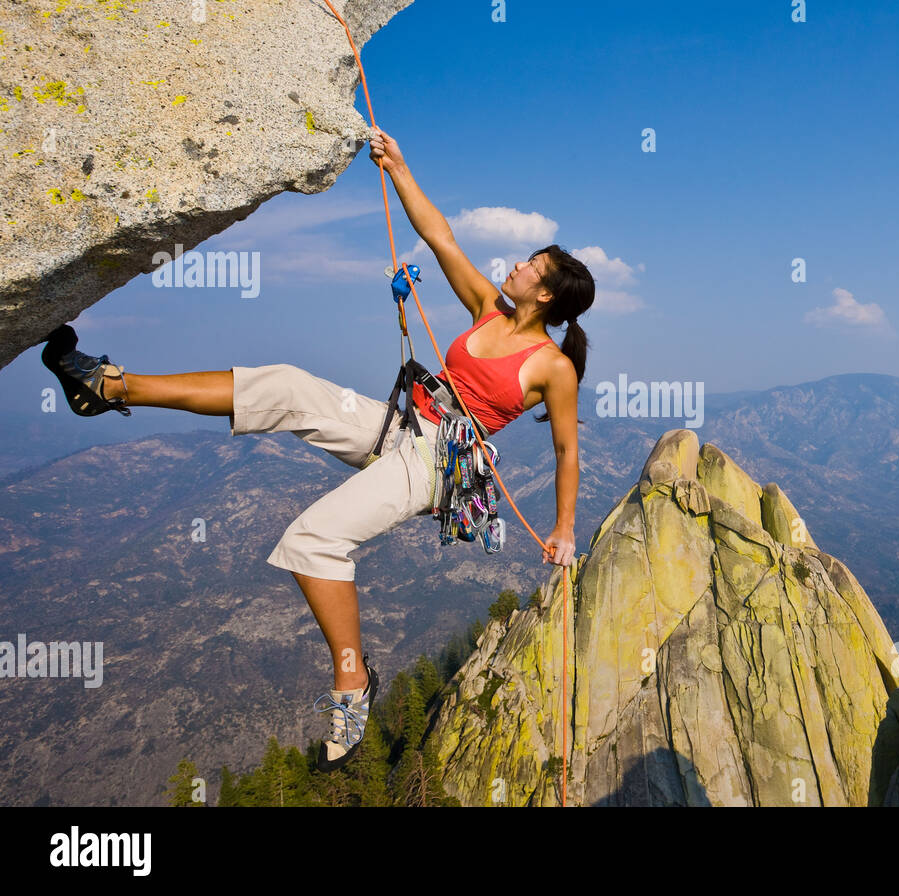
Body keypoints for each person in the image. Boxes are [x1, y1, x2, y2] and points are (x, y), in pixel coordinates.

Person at [39, 125, 596, 772]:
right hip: (399, 423)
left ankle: (352, 683)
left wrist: (562, 530)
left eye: (533, 264)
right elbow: (440, 235)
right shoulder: (487, 309)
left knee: (313, 539)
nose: (520, 264)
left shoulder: (553, 368)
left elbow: (566, 450)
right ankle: (109, 385)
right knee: (285, 384)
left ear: (547, 293)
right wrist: (399, 167)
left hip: (436, 464)